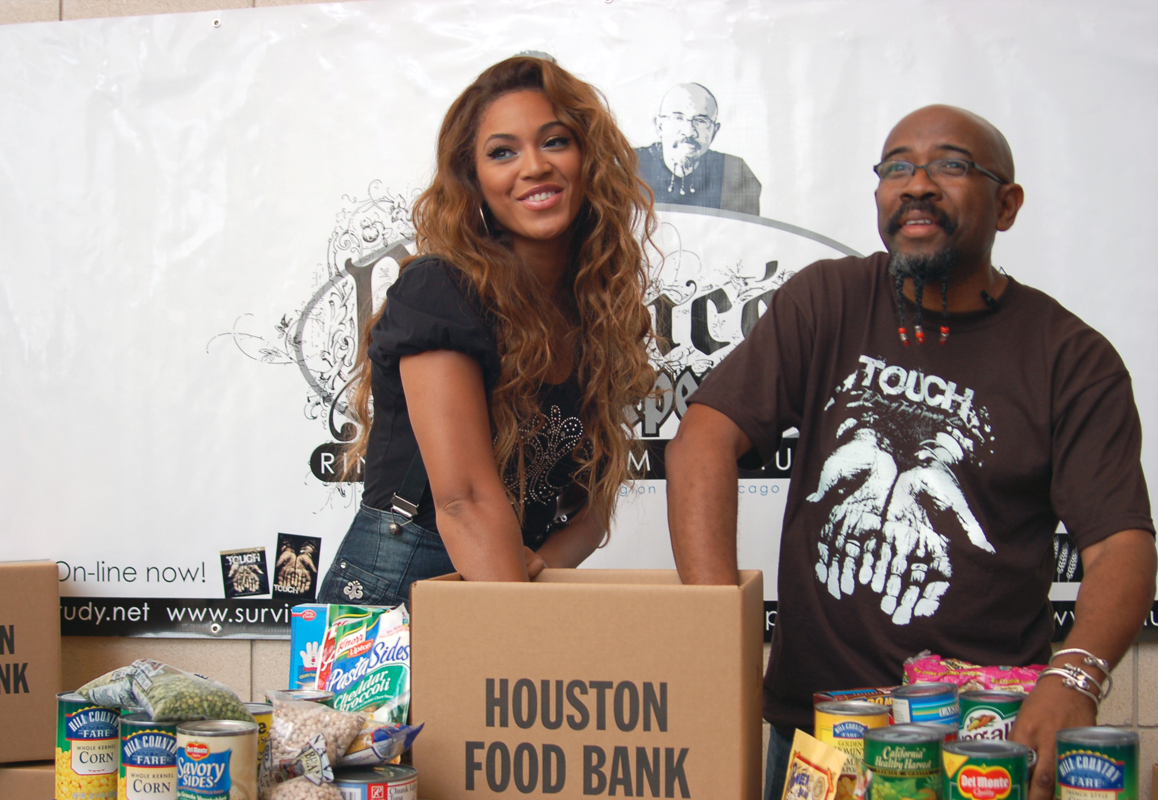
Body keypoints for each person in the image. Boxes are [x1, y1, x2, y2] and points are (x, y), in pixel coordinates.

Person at [664, 105, 1155, 800]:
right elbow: (704, 439)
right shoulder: (827, 301)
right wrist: (720, 633)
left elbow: (1120, 545)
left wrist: (1074, 675)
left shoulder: (1070, 358)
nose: (917, 183)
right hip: (820, 737)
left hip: (984, 742)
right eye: (897, 166)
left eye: (951, 165)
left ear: (1007, 205)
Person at [318, 56, 656, 609]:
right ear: (473, 180)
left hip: (497, 581)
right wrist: (519, 631)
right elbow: (465, 501)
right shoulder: (439, 290)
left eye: (555, 141)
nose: (533, 167)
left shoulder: (595, 310)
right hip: (394, 593)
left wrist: (538, 565)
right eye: (503, 152)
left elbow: (593, 514)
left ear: (587, 160)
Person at [634, 83, 762, 216]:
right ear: (660, 126)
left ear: (714, 130)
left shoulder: (735, 172)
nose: (689, 132)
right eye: (678, 118)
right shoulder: (628, 165)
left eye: (701, 121)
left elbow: (745, 234)